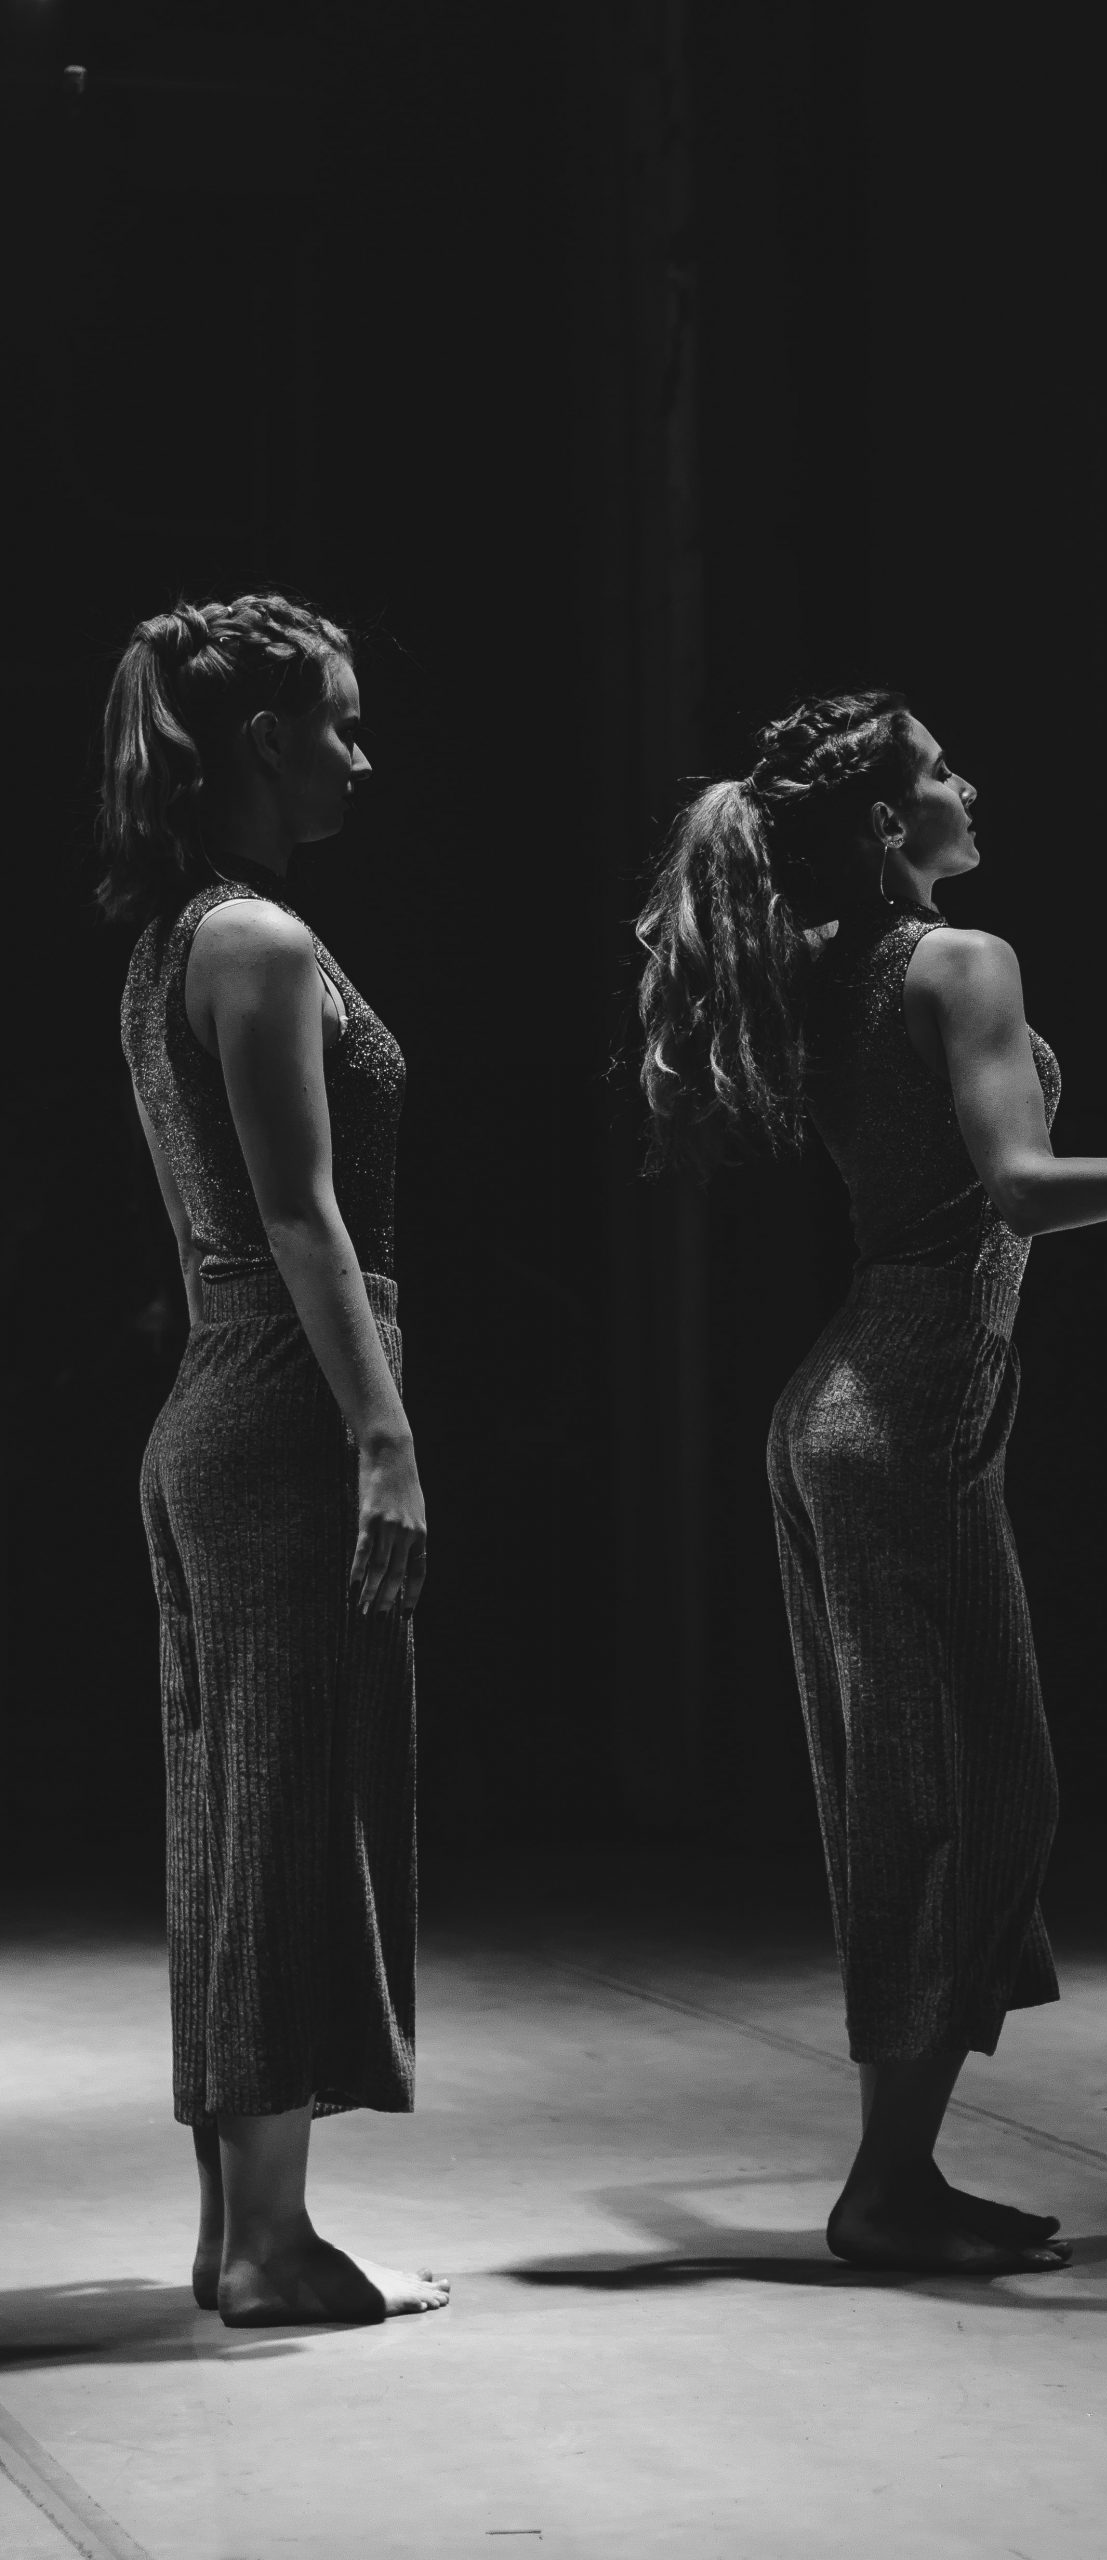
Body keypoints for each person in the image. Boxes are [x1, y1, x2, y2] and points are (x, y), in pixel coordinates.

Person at [636, 690, 1107, 2275]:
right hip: (898, 1415)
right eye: (940, 770)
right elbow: (1024, 1192)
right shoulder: (957, 961)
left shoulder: (833, 960)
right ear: (883, 822)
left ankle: (896, 2176)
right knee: (961, 1800)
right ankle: (886, 2189)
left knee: (943, 1797)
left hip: (866, 1412)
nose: (970, 783)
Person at [98, 593, 445, 2326]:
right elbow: (301, 1218)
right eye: (342, 725)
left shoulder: (176, 938)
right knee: (289, 1811)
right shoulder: (259, 941)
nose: (362, 758)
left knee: (237, 1815)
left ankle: (236, 2232)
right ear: (262, 742)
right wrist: (384, 1436)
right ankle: (269, 2243)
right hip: (285, 1407)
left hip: (216, 1406)